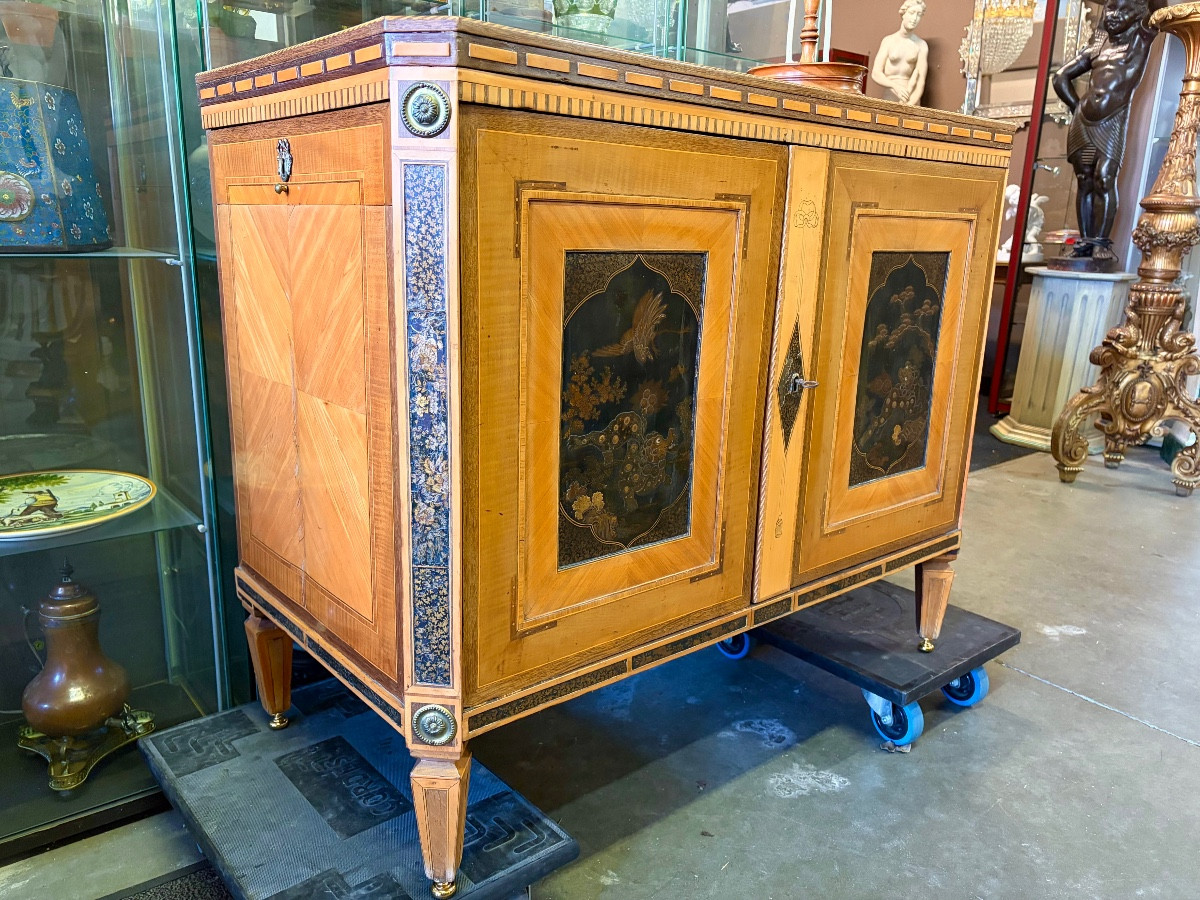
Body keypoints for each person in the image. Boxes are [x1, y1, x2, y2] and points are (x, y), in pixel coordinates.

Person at [1052, 0, 1166, 259]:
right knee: (1084, 180)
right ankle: (1085, 243)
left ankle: (1101, 242)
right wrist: (1075, 106)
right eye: (1111, 8)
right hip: (1083, 120)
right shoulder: (1097, 46)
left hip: (1112, 120)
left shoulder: (1139, 39)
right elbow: (1060, 77)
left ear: (1136, 13)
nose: (1114, 15)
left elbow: (1159, 8)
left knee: (1104, 178)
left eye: (1123, 10)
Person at [872, 0, 929, 106]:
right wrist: (895, 86)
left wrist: (910, 104)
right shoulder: (888, 41)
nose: (914, 19)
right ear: (903, 13)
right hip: (890, 97)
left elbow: (920, 82)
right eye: (912, 13)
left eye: (919, 15)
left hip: (911, 98)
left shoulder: (921, 45)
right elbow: (876, 73)